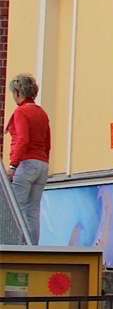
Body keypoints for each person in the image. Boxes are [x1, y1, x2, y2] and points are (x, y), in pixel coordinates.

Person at [5, 72, 51, 243]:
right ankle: (32, 249)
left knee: (15, 210)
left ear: (18, 92)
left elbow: (23, 139)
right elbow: (48, 143)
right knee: (33, 211)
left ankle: (14, 249)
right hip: (42, 164)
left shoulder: (21, 112)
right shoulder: (42, 113)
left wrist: (13, 166)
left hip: (25, 164)